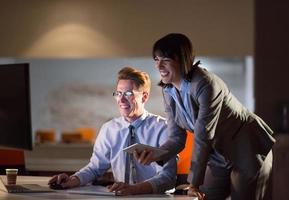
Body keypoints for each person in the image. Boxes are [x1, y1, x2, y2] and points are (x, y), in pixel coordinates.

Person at [135, 33, 275, 200]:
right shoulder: (169, 91)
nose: (159, 66)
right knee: (204, 197)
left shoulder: (205, 83)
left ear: (182, 59)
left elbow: (203, 135)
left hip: (246, 147)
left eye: (165, 59)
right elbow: (176, 138)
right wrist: (156, 154)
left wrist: (193, 183)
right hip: (218, 153)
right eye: (156, 60)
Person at [48, 66, 177, 195]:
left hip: (154, 198)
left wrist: (135, 189)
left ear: (144, 97)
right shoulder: (109, 129)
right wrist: (73, 179)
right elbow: (95, 168)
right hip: (120, 196)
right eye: (118, 93)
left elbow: (168, 177)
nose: (121, 100)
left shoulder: (163, 128)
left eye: (128, 93)